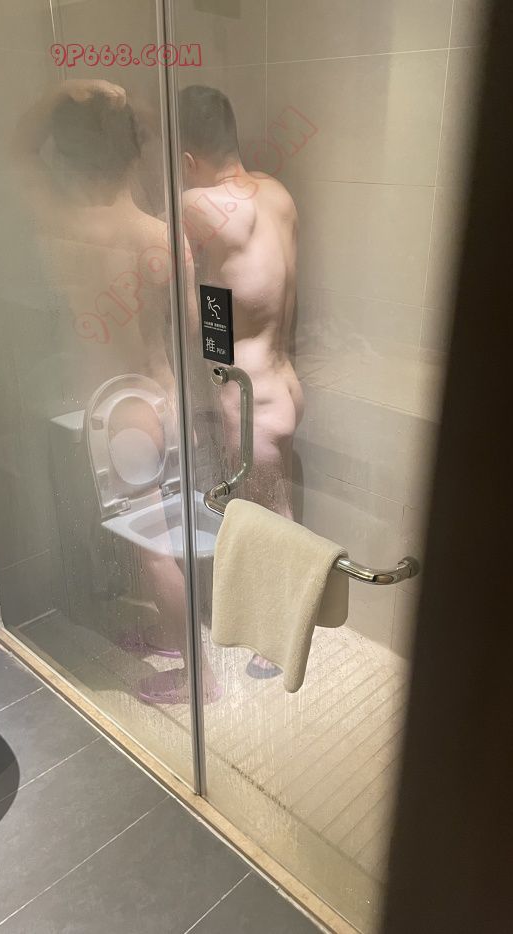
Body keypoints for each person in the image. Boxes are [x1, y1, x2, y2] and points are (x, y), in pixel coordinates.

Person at [12, 79, 220, 703]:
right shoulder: (163, 234)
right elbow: (190, 330)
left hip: (114, 410)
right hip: (163, 401)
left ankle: (199, 678)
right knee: (159, 535)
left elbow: (17, 150)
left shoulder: (59, 222)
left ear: (69, 155)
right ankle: (169, 634)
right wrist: (131, 110)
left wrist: (64, 91)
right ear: (133, 151)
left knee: (153, 550)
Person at [179, 85, 305, 679]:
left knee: (267, 518)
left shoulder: (196, 203)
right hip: (284, 381)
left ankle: (278, 638)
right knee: (275, 508)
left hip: (248, 399)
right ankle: (276, 619)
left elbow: (197, 321)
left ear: (187, 158)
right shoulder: (277, 194)